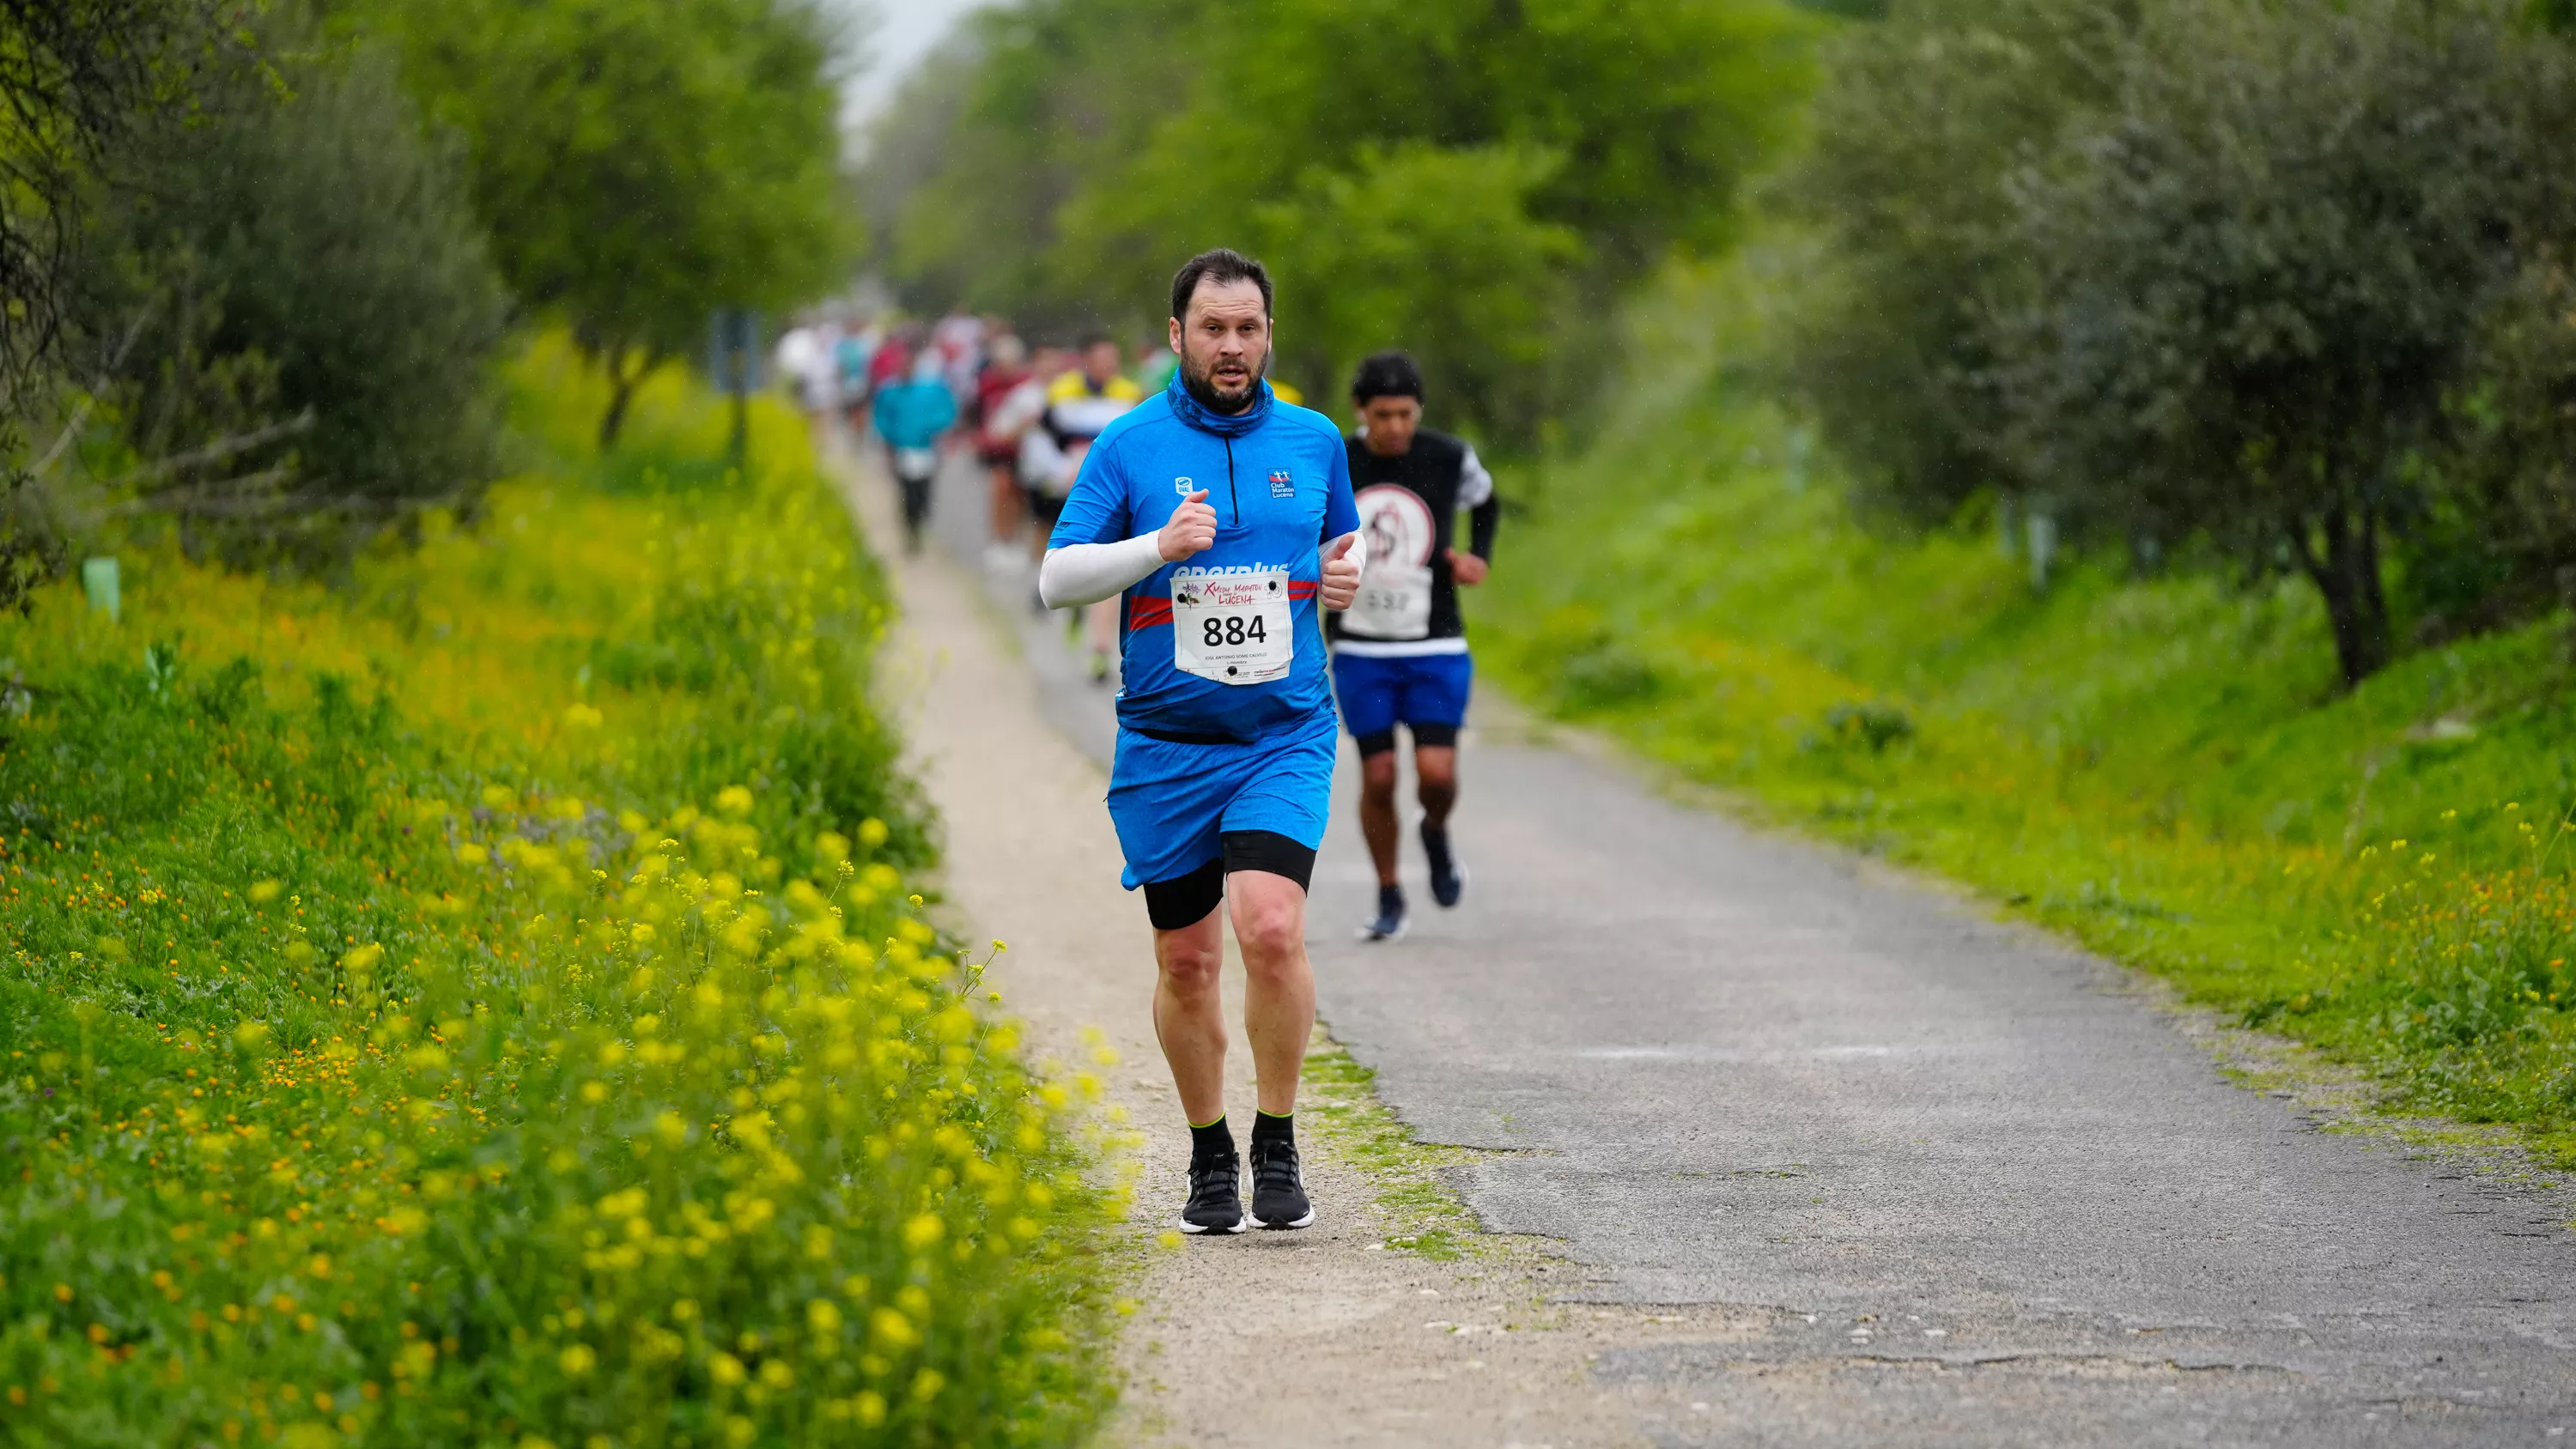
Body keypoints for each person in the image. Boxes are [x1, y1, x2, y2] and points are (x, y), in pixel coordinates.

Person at [1038, 248, 1363, 1234]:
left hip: (1284, 733)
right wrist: (1157, 549)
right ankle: (1210, 1150)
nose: (1233, 345)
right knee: (1187, 961)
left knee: (1269, 925)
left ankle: (1277, 1138)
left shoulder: (1314, 441)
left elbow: (1336, 554)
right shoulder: (1128, 445)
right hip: (1169, 745)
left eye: (1249, 327)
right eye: (1214, 328)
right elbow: (1058, 579)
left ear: (1270, 334)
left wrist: (1337, 588)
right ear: (1176, 336)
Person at [1328, 351, 1500, 943]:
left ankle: (1435, 828)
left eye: (1405, 413)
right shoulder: (1339, 459)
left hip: (1436, 643)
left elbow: (1487, 499)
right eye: (1383, 415)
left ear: (1419, 409)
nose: (1396, 426)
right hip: (1360, 647)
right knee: (1377, 775)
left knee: (1436, 771)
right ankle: (1388, 893)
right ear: (1360, 411)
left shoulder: (1448, 456)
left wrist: (1478, 554)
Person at [1044, 336, 1146, 682]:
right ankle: (1075, 606)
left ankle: (1100, 651)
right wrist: (1060, 470)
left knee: (1108, 570)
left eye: (1113, 359)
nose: (1108, 365)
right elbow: (1047, 439)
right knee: (1072, 558)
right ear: (1086, 359)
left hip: (1115, 494)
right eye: (1101, 358)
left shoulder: (1129, 394)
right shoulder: (1062, 391)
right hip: (1071, 486)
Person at [871, 351, 957, 554]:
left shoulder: (931, 388)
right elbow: (881, 418)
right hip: (901, 450)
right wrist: (888, 440)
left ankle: (919, 517)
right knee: (907, 493)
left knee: (924, 490)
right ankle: (911, 530)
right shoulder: (888, 391)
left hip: (927, 449)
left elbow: (947, 411)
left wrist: (933, 429)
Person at [974, 334, 1035, 569]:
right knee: (1000, 490)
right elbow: (978, 412)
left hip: (1023, 451)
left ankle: (1016, 540)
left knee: (1018, 496)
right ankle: (999, 540)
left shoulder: (1026, 385)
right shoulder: (987, 383)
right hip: (997, 449)